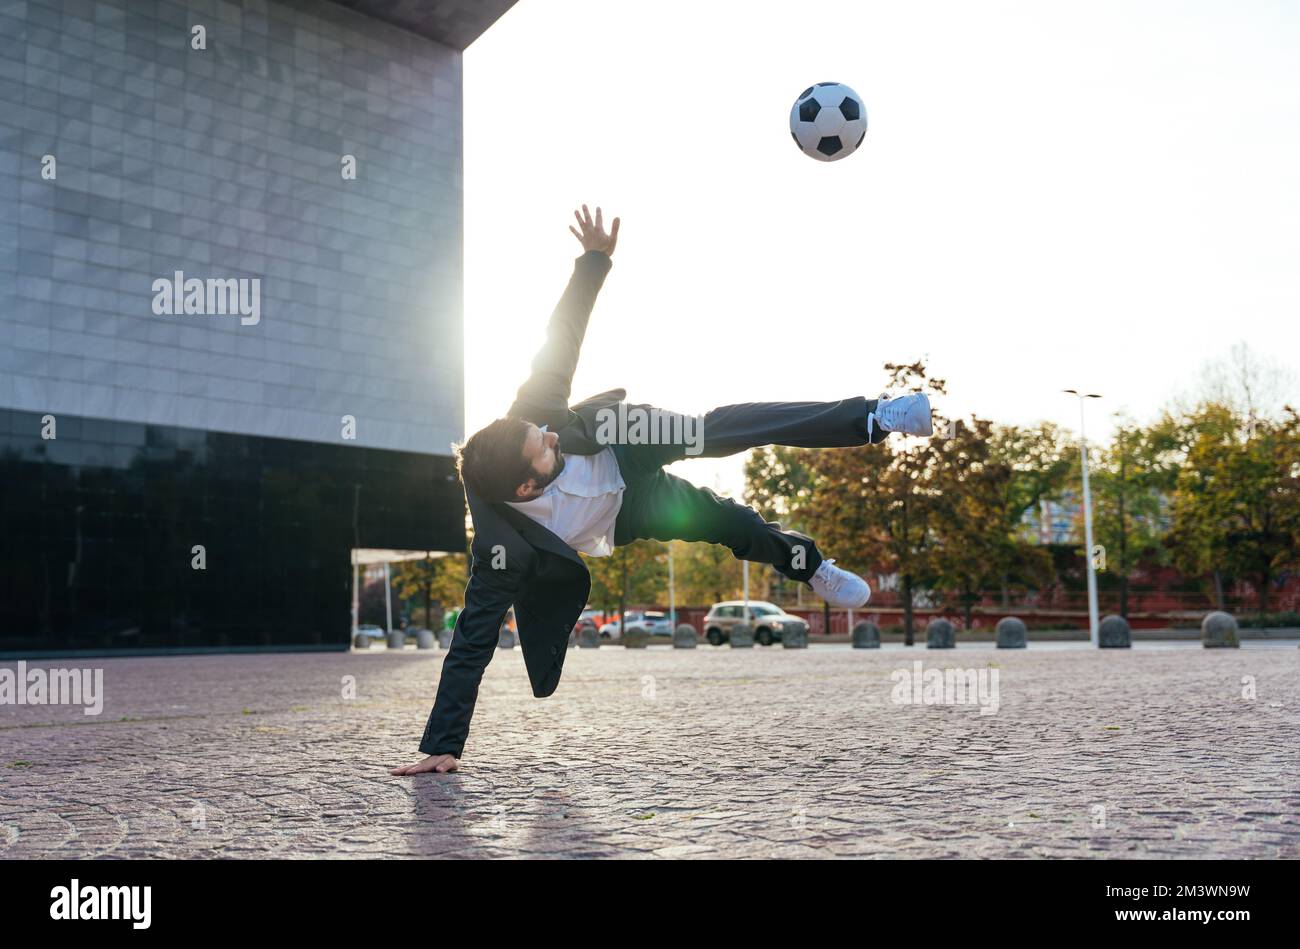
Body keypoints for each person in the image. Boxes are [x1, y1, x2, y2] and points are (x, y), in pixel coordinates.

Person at [391, 205, 933, 777]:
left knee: (718, 430)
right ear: (526, 485)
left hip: (625, 441)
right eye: (543, 447)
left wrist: (594, 261)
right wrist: (442, 746)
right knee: (735, 524)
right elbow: (471, 642)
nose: (549, 433)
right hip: (630, 509)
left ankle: (874, 416)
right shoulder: (500, 550)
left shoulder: (532, 413)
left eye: (541, 430)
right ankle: (811, 564)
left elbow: (562, 337)